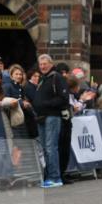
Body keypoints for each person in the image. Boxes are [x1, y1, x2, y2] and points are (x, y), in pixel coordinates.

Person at [33, 53, 69, 188]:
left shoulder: (57, 78)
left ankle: (55, 177)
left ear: (51, 64)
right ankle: (49, 176)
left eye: (45, 64)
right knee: (45, 148)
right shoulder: (43, 79)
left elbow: (63, 98)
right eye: (40, 64)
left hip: (52, 117)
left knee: (50, 148)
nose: (42, 66)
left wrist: (45, 104)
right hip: (41, 118)